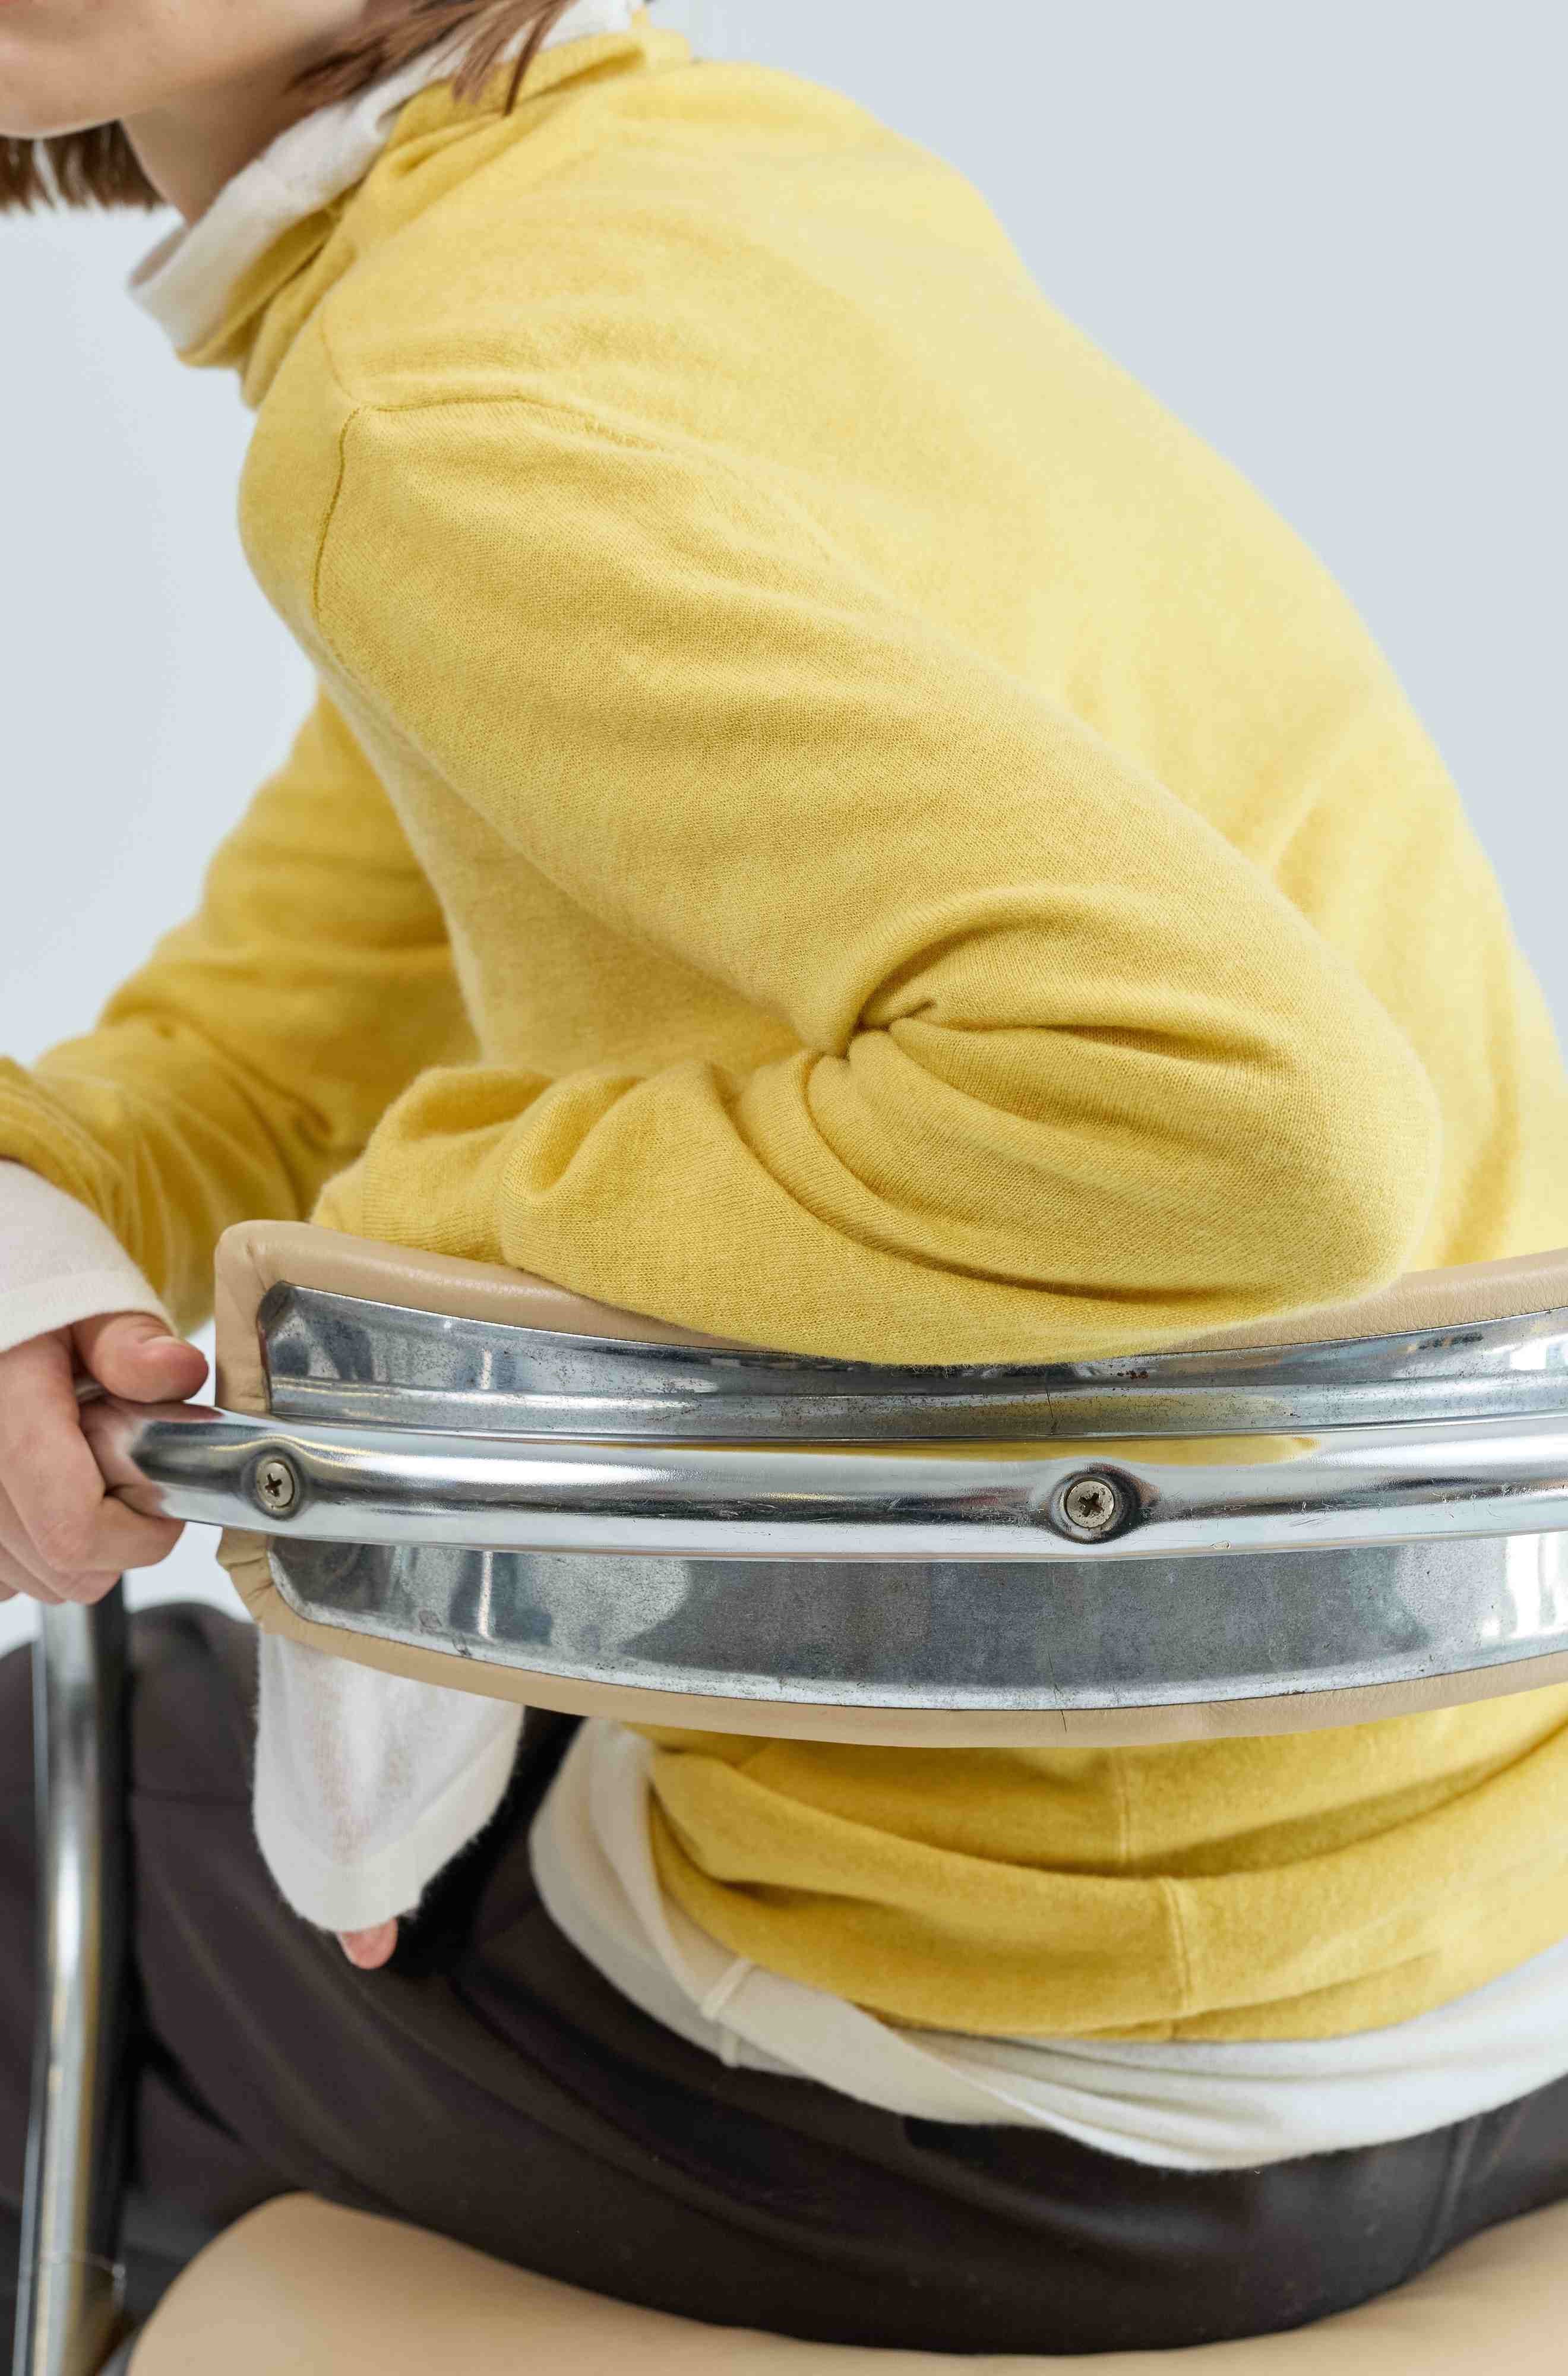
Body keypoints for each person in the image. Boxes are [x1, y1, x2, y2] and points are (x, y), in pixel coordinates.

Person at [4, 1, 1568, 2356]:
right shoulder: (729, 197)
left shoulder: (431, 402)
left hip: (1011, 2094)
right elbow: (290, 1031)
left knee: (65, 1802)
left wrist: (427, 1230)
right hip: (1479, 1935)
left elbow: (1241, 1111)